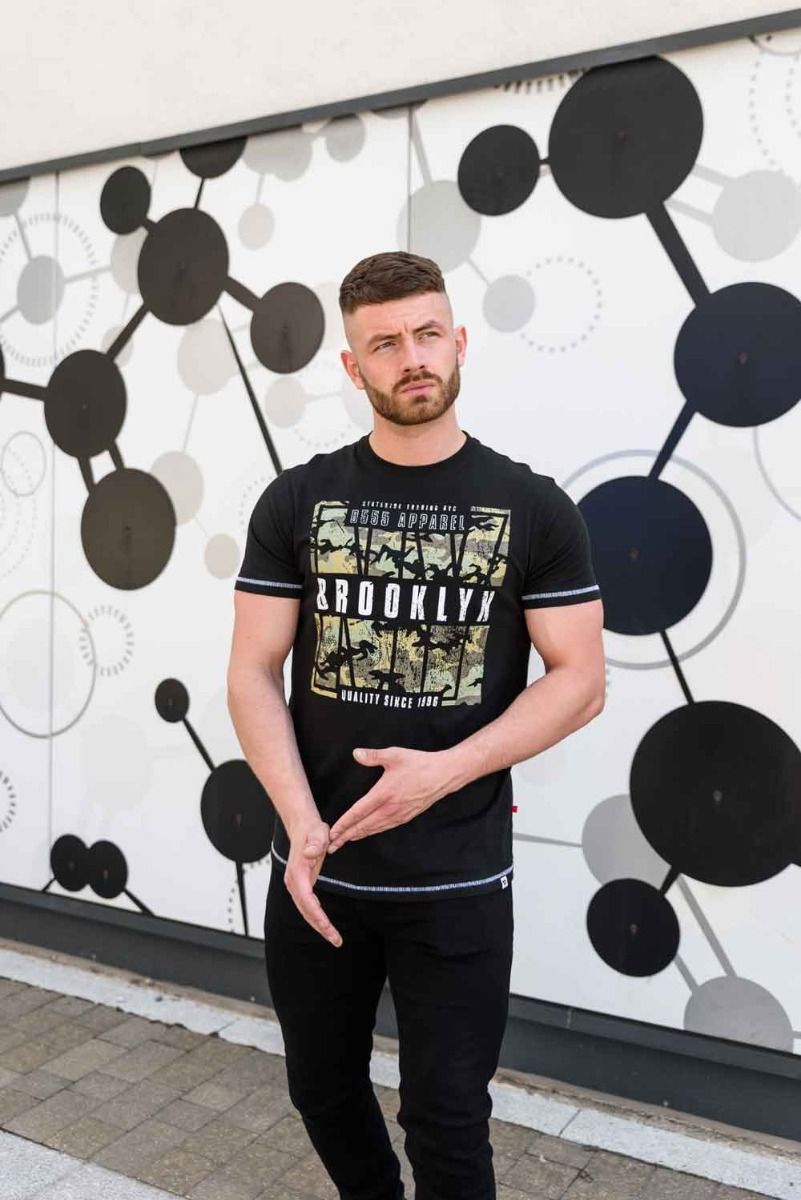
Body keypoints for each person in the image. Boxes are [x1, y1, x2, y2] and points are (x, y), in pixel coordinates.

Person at [226, 250, 606, 1200]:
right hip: (318, 870)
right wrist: (301, 827)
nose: (412, 358)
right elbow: (251, 672)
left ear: (459, 341)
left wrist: (443, 770)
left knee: (446, 1118)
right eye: (385, 343)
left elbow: (579, 682)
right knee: (320, 1090)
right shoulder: (297, 500)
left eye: (427, 334)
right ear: (352, 366)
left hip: (456, 879)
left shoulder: (531, 506)